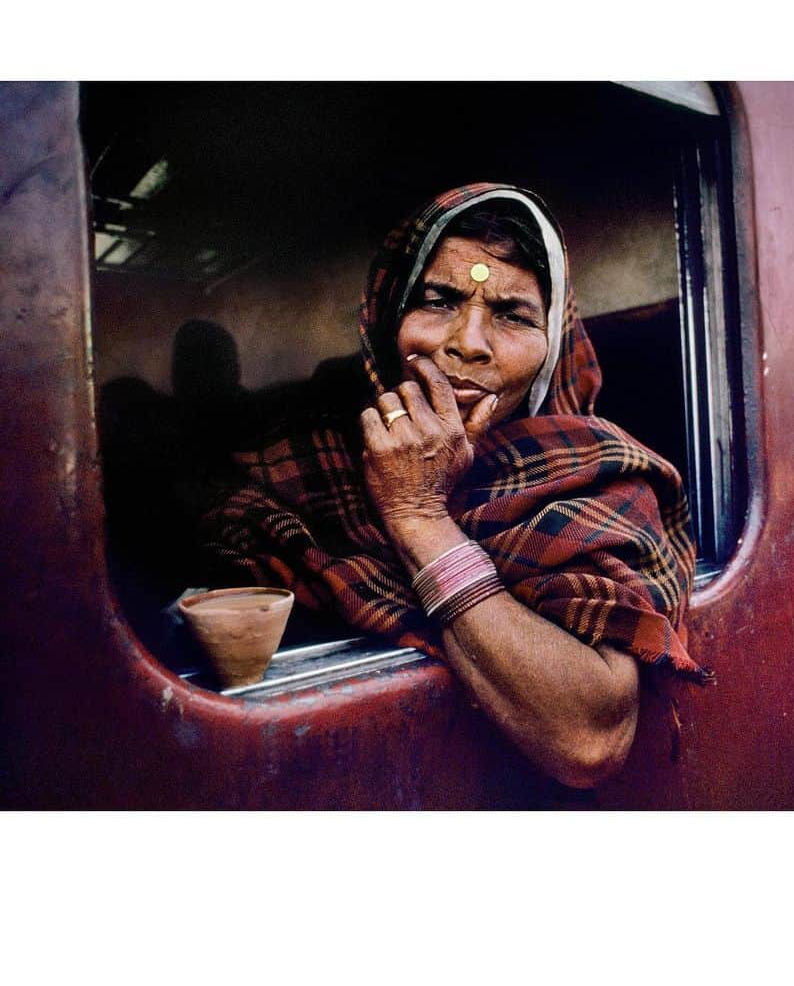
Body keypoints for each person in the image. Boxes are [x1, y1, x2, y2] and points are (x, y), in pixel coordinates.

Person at [200, 182, 707, 788]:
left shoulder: (593, 478)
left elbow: (589, 736)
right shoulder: (306, 462)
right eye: (438, 301)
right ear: (387, 321)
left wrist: (417, 516)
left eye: (512, 314)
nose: (467, 343)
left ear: (551, 347)